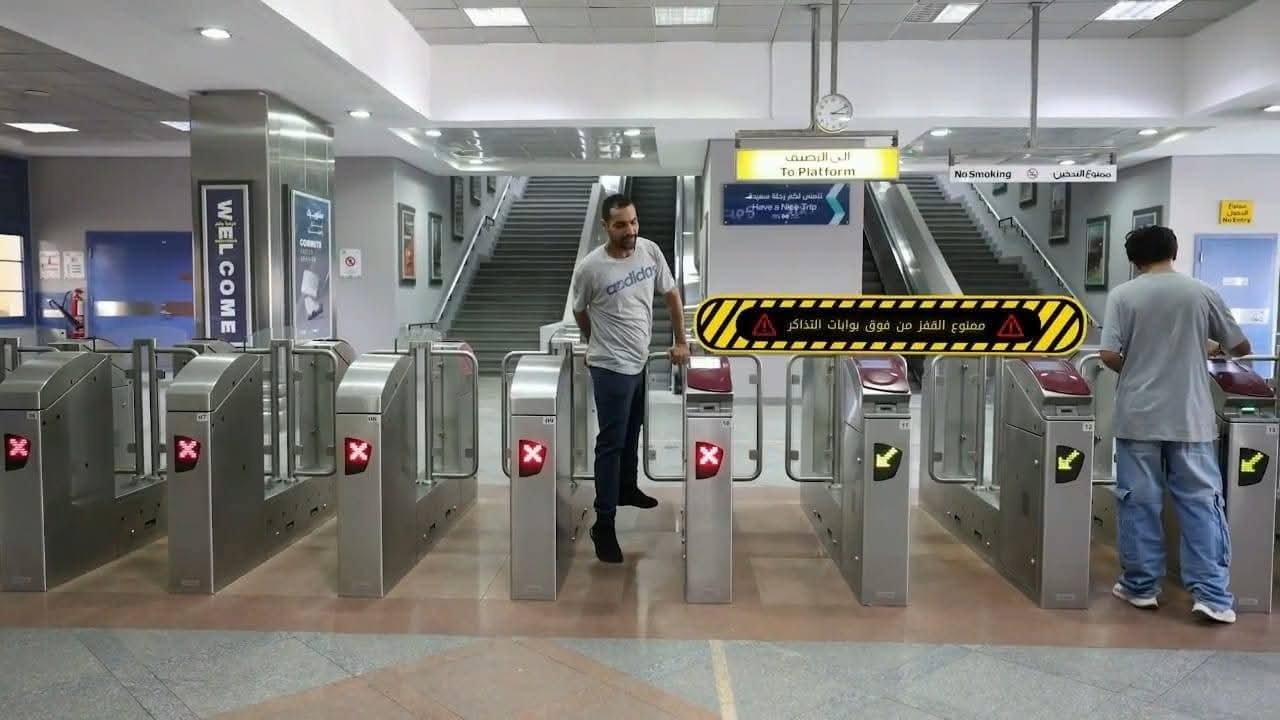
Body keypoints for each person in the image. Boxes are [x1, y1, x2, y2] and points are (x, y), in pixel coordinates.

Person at [1099, 224, 1250, 624]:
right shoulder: (1201, 292)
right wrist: (1202, 347)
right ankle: (1212, 596)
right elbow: (1240, 347)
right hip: (1191, 417)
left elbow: (1109, 354)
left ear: (1134, 261)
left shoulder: (1124, 295)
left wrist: (1140, 367)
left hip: (1138, 416)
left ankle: (1141, 587)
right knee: (1202, 504)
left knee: (1139, 502)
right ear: (1175, 252)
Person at [571, 193, 689, 564]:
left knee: (633, 430)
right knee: (610, 443)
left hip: (640, 362)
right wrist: (594, 343)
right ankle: (604, 524)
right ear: (605, 226)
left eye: (634, 222)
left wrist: (681, 341)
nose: (630, 230)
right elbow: (579, 311)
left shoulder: (650, 251)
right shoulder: (591, 268)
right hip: (610, 368)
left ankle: (627, 487)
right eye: (621, 224)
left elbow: (671, 294)